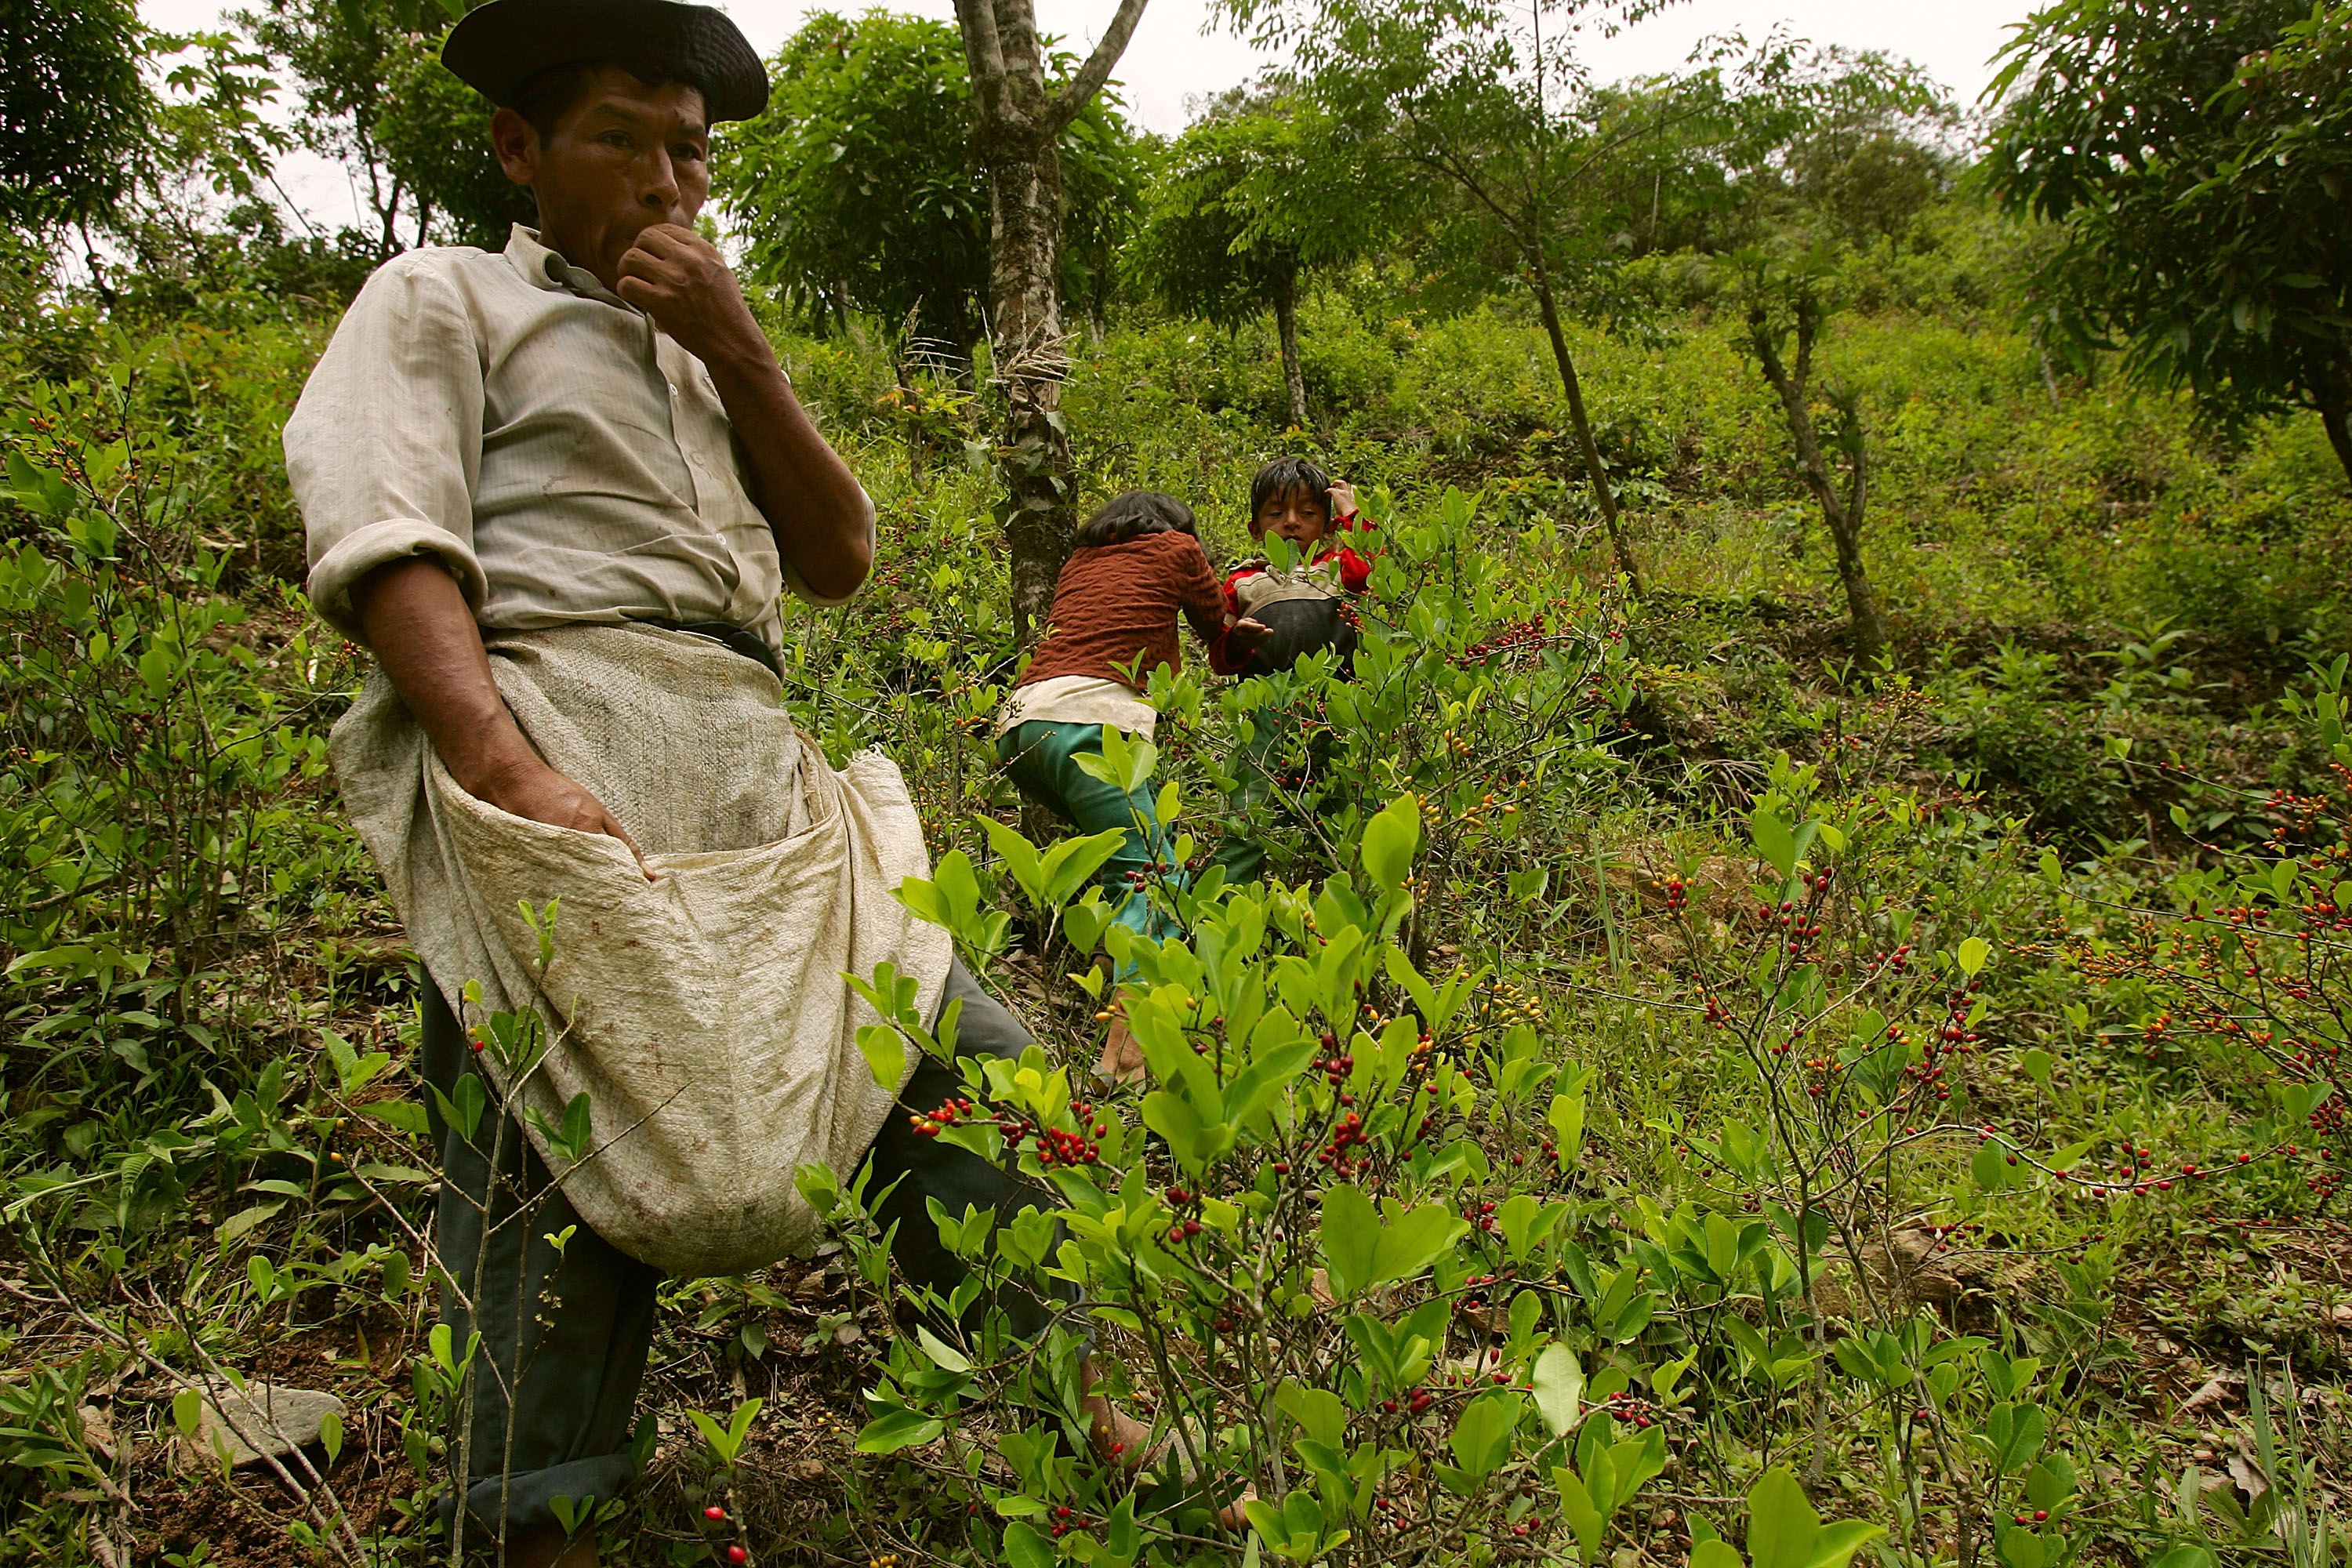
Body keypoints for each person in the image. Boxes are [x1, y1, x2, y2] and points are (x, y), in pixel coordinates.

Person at [283, 5, 1146, 1562]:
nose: (669, 183)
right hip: (559, 713)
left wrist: (735, 344)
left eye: (689, 153)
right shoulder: (442, 298)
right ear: (521, 150)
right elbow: (388, 531)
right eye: (622, 139)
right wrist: (498, 762)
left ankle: (1078, 1416)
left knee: (960, 1062)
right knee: (551, 1121)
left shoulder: (707, 358)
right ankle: (535, 1511)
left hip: (752, 745)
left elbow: (836, 557)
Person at [994, 492, 1269, 1083]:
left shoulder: (1079, 561)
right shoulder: (1178, 548)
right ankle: (1128, 1061)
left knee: (1115, 861)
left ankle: (1099, 976)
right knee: (1152, 878)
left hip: (1021, 728)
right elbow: (1215, 630)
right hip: (1092, 726)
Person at [1210, 458, 1379, 884]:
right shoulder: (1243, 581)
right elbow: (1219, 656)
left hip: (1338, 707)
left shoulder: (1340, 567)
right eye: (1275, 513)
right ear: (1254, 528)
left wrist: (1351, 512)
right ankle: (1228, 902)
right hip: (1265, 709)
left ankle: (1341, 903)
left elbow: (1374, 567)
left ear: (1327, 527)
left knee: (1341, 810)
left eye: (1307, 513)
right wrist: (1237, 643)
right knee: (1250, 804)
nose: (1290, 523)